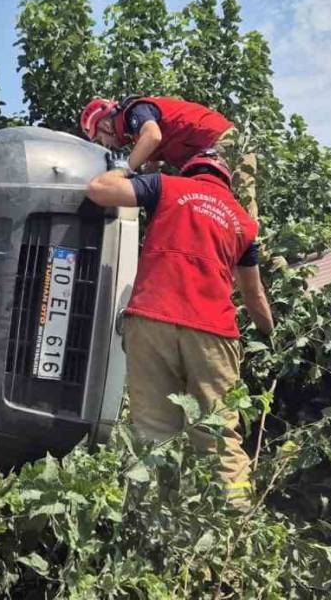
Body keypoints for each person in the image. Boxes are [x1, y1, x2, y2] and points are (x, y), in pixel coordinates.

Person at [85, 152, 274, 506]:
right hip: (213, 332)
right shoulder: (244, 223)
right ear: (226, 181)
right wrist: (270, 333)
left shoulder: (166, 186)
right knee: (217, 434)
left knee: (152, 432)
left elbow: (98, 189)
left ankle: (152, 520)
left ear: (190, 171)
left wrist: (127, 168)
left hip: (151, 319)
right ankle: (235, 521)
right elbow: (254, 294)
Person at [79, 96, 258, 217]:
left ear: (106, 126)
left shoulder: (136, 111)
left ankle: (262, 255)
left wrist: (123, 170)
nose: (105, 144)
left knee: (238, 210)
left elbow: (153, 136)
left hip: (225, 142)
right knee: (207, 210)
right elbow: (150, 173)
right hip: (210, 154)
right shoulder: (138, 137)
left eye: (100, 138)